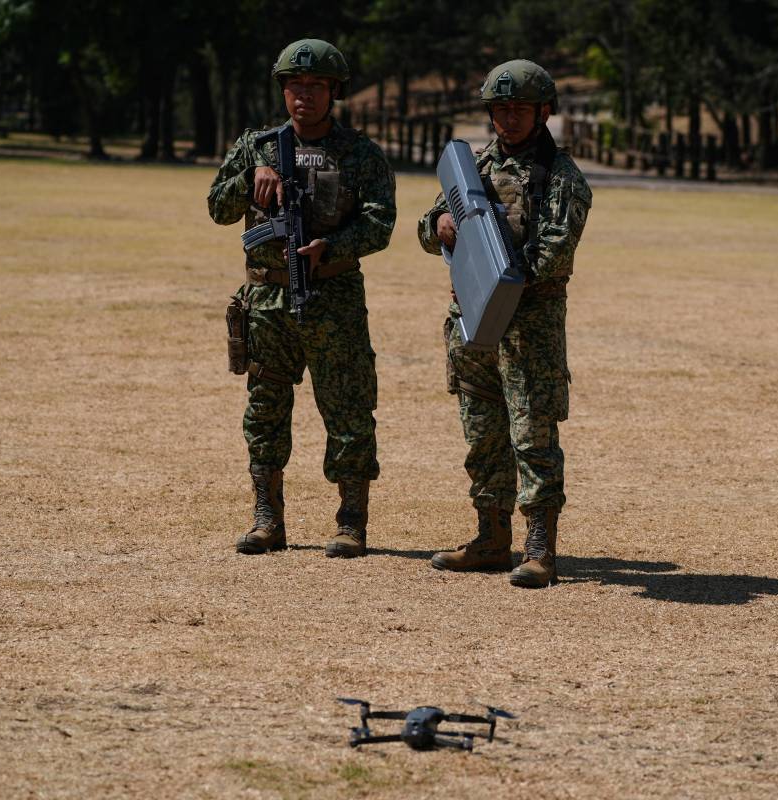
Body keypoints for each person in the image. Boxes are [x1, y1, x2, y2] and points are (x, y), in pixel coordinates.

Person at [208, 39, 395, 558]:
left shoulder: (360, 154)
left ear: (334, 91)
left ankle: (351, 521)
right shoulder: (255, 147)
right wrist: (249, 179)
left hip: (334, 297)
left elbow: (380, 224)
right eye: (294, 85)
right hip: (267, 301)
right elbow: (218, 210)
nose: (303, 95)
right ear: (282, 89)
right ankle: (268, 518)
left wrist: (331, 246)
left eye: (315, 86)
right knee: (265, 408)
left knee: (348, 408)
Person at [417, 60, 592, 588]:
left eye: (518, 109)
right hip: (471, 328)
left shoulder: (562, 179)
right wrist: (441, 225)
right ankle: (491, 539)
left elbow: (553, 256)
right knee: (482, 434)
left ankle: (540, 549)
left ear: (543, 112)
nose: (507, 118)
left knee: (533, 436)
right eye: (499, 108)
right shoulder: (473, 168)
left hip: (529, 330)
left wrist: (492, 273)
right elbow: (427, 229)